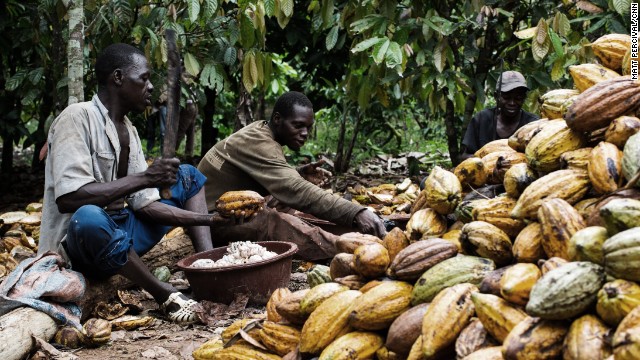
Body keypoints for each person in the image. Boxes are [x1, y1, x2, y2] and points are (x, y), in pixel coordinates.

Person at [38, 43, 247, 324]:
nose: (150, 87)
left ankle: (206, 271)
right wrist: (146, 177)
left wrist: (209, 219)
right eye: (144, 78)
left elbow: (145, 205)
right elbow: (70, 198)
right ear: (118, 78)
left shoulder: (129, 130)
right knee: (89, 217)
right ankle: (164, 294)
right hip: (83, 244)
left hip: (123, 228)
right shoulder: (76, 117)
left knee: (187, 174)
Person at [197, 91, 387, 260]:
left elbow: (276, 180)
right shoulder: (262, 144)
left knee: (284, 204)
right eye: (298, 126)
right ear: (278, 119)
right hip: (208, 221)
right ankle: (345, 248)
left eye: (308, 127)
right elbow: (296, 191)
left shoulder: (260, 130)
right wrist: (356, 212)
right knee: (270, 219)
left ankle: (339, 234)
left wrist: (298, 174)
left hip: (225, 208)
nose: (304, 133)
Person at [459, 70, 539, 161]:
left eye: (518, 98)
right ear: (496, 96)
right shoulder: (481, 119)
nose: (512, 103)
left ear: (524, 98)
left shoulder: (533, 124)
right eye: (506, 98)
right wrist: (489, 161)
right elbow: (464, 157)